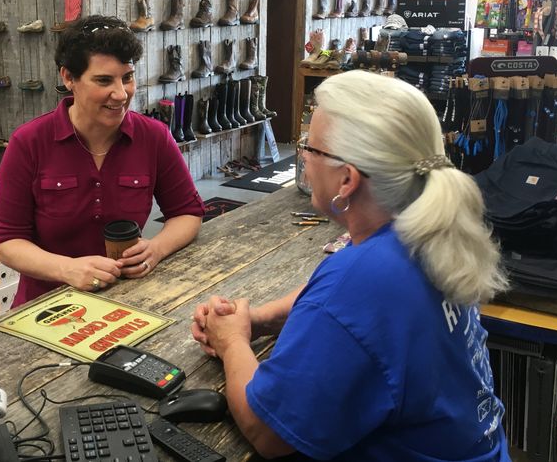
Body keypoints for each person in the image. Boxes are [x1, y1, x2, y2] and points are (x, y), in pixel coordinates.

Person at [191, 71, 510, 461]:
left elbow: (268, 431)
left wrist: (231, 342)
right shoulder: (428, 232)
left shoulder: (362, 280)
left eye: (310, 146)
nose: (303, 155)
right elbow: (356, 316)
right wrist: (258, 318)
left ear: (347, 179)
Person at [0, 16, 205, 307]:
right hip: (46, 306)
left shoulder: (153, 137)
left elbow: (188, 212)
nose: (121, 94)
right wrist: (67, 269)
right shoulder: (29, 143)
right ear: (68, 78)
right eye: (104, 80)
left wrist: (156, 249)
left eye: (127, 77)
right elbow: (7, 244)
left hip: (128, 299)